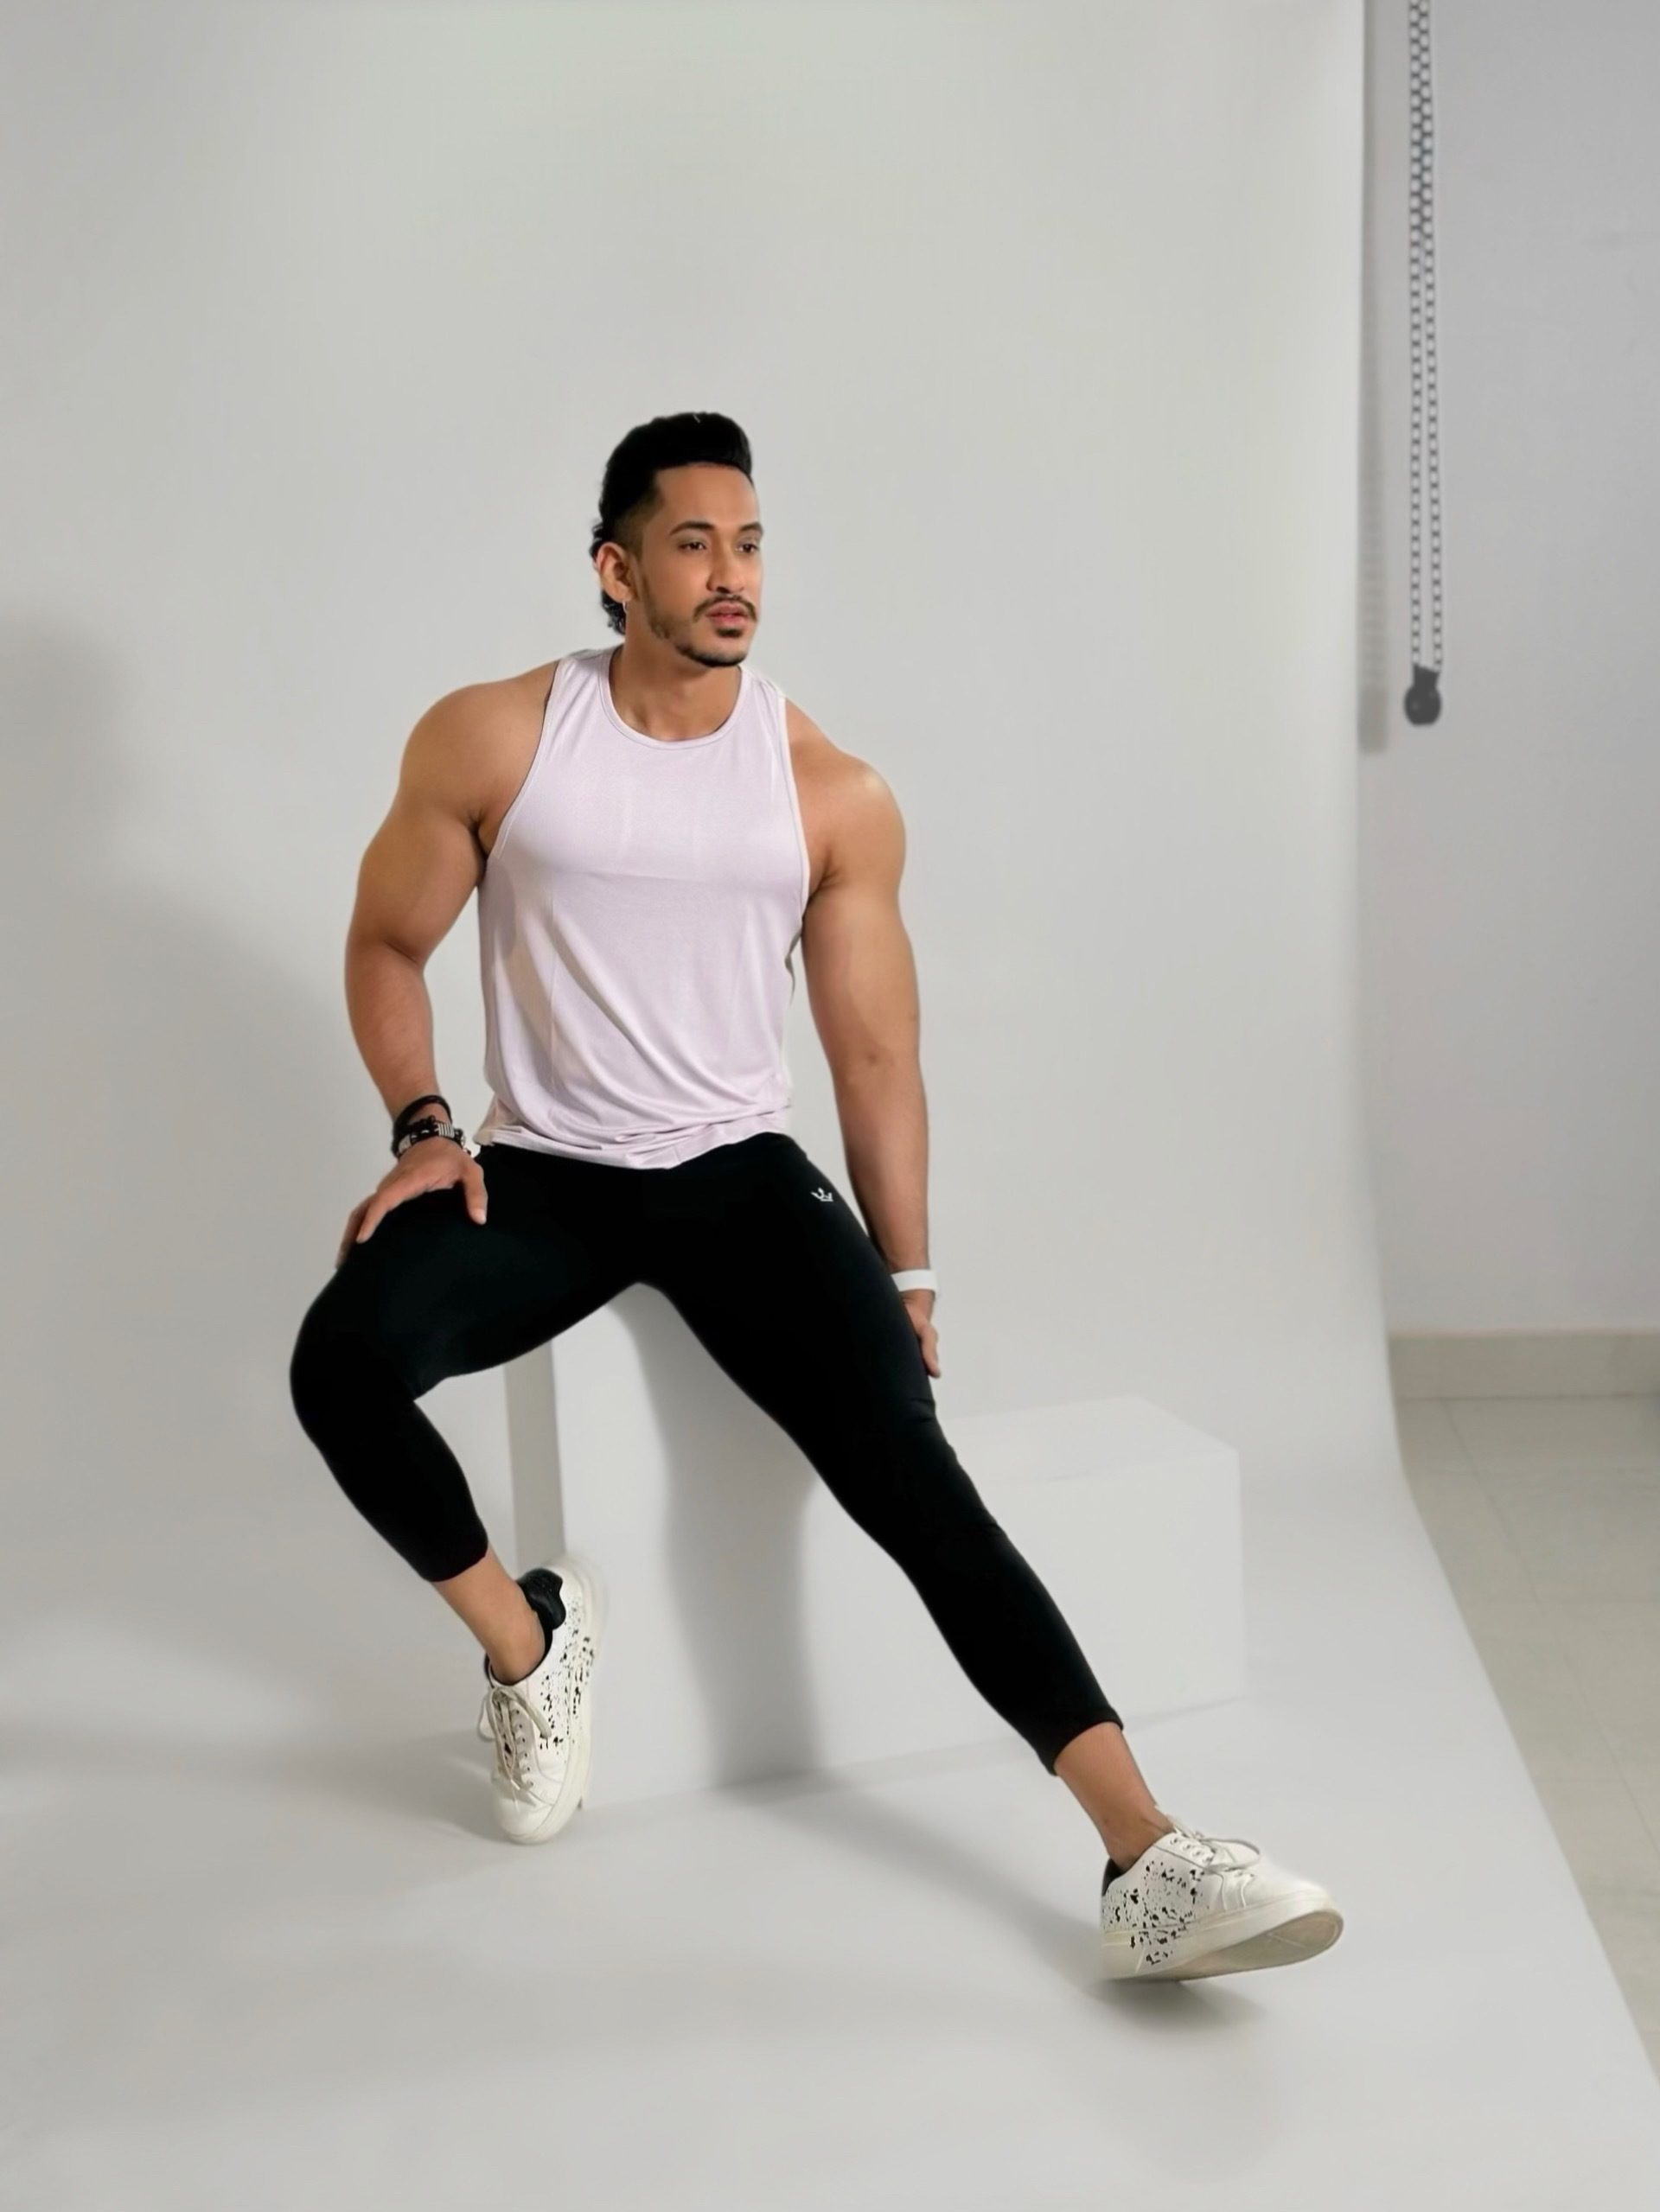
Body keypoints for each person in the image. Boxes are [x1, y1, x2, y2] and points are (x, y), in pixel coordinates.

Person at [287, 411, 1343, 1983]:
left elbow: (873, 1053)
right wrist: (424, 1125)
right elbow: (387, 941)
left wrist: (909, 1280)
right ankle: (529, 1646)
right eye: (695, 543)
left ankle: (1149, 1855)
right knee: (338, 1363)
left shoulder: (826, 789)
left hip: (737, 1180)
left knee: (911, 1474)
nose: (733, 574)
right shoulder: (496, 739)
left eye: (752, 543)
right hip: (548, 1172)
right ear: (616, 568)